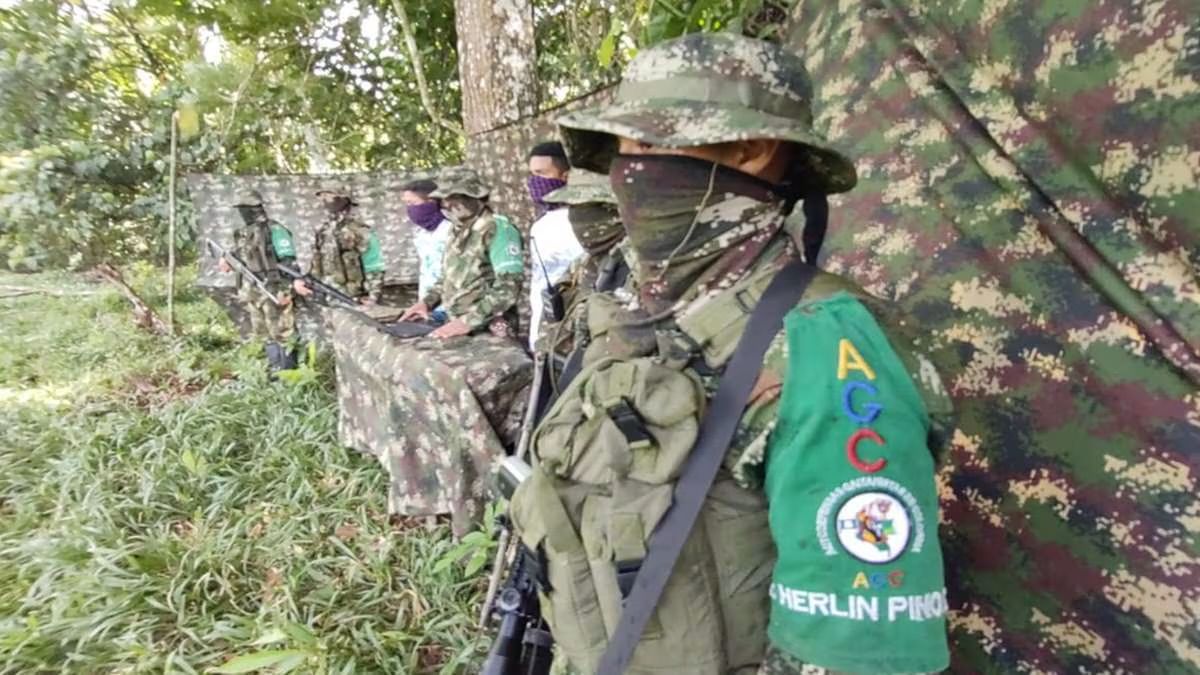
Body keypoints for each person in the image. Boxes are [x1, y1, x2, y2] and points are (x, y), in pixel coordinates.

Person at [509, 33, 954, 675]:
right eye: (622, 148)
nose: (627, 170)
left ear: (751, 148)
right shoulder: (639, 309)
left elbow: (857, 658)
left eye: (651, 142)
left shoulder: (819, 342)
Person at [399, 170, 524, 340]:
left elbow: (508, 287)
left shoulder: (497, 229)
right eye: (444, 199)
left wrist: (468, 321)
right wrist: (426, 303)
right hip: (457, 326)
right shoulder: (456, 229)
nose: (447, 205)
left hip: (490, 328)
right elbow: (447, 277)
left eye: (455, 198)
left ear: (475, 197)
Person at [534, 169, 629, 358]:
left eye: (592, 208)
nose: (580, 218)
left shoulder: (642, 271)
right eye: (573, 207)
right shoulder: (581, 265)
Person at [219, 189, 298, 372]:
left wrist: (286, 290)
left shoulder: (275, 230)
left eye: (245, 209)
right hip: (252, 291)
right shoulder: (243, 233)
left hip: (273, 288)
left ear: (255, 209)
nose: (242, 213)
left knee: (283, 333)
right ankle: (275, 371)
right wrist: (226, 258)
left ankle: (288, 376)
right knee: (263, 333)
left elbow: (289, 262)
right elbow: (238, 254)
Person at [526, 141, 586, 350]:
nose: (534, 181)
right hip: (542, 335)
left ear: (566, 176)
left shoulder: (586, 221)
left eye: (541, 173)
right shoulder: (540, 226)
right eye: (532, 174)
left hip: (573, 338)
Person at [292, 185, 385, 305]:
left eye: (330, 196)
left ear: (344, 199)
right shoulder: (323, 230)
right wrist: (302, 281)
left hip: (354, 301)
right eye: (323, 197)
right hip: (326, 299)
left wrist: (373, 297)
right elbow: (317, 266)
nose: (326, 200)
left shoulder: (359, 230)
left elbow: (375, 267)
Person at [400, 178, 452, 320]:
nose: (410, 209)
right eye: (407, 204)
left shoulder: (452, 230)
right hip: (427, 306)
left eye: (413, 203)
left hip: (452, 307)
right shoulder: (420, 233)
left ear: (431, 202)